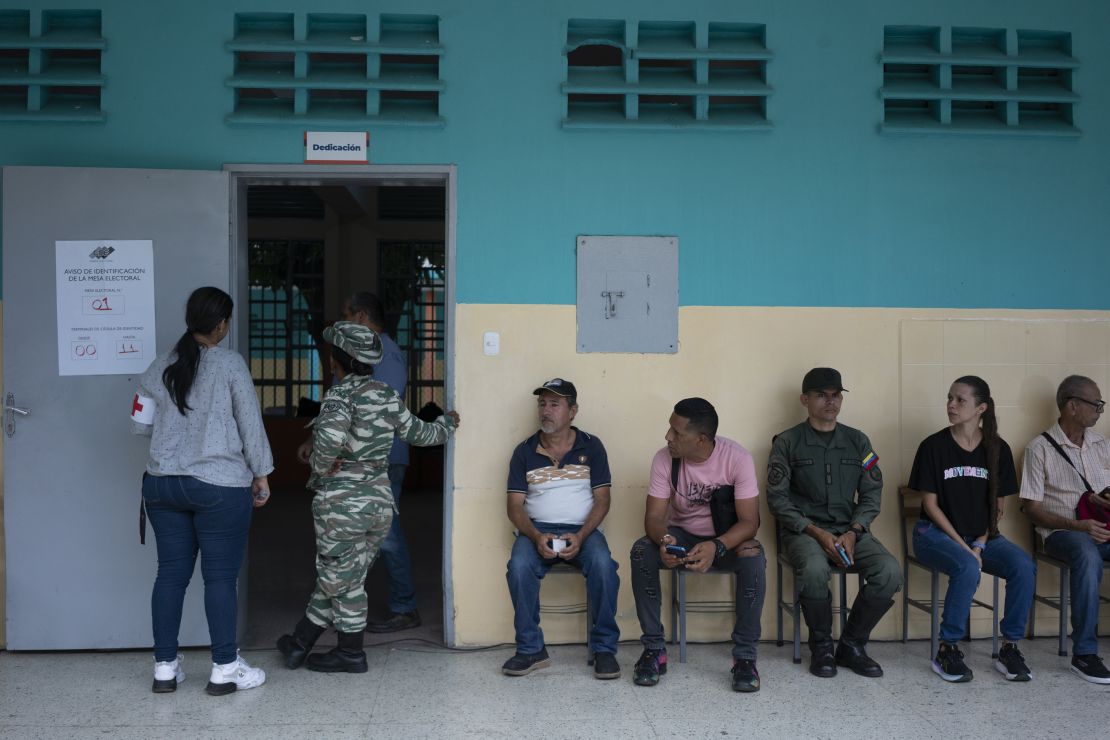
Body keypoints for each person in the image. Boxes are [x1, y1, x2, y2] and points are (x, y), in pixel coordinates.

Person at [277, 321, 459, 673]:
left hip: (344, 503)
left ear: (337, 360)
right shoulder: (386, 394)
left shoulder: (340, 396)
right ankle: (299, 642)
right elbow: (420, 434)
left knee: (342, 576)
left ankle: (350, 652)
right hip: (379, 500)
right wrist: (448, 424)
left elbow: (328, 442)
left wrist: (320, 468)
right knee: (345, 574)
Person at [131, 286, 273, 696]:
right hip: (218, 487)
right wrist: (261, 474)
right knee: (219, 579)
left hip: (162, 487)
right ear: (222, 323)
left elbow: (139, 424)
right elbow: (250, 422)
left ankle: (164, 668)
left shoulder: (157, 366)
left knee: (170, 576)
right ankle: (225, 668)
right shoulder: (230, 364)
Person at [766, 368, 902, 679]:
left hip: (850, 530)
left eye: (836, 395)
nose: (831, 402)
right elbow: (778, 500)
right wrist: (816, 532)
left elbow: (871, 493)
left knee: (889, 571)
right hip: (804, 532)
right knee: (815, 569)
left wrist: (854, 532)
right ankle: (822, 648)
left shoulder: (858, 441)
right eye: (821, 395)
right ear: (805, 399)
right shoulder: (787, 442)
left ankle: (851, 646)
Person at [298, 291, 421, 634]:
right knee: (353, 539)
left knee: (385, 536)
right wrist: (316, 440)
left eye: (346, 316)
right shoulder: (356, 353)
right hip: (349, 462)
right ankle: (341, 603)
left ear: (363, 317)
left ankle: (404, 605)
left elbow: (381, 414)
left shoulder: (388, 355)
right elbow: (340, 411)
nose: (342, 323)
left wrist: (330, 454)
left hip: (380, 461)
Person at [629, 398, 766, 692]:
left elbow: (750, 523)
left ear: (701, 439)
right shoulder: (664, 458)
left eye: (677, 433)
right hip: (682, 537)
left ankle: (744, 658)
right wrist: (664, 542)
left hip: (725, 539)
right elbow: (653, 517)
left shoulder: (737, 458)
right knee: (642, 551)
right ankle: (654, 649)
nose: (668, 437)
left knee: (753, 554)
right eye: (670, 429)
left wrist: (716, 546)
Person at [908, 376, 1035, 682]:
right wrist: (966, 548)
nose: (951, 405)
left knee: (1023, 566)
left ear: (981, 408)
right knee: (967, 567)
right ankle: (947, 649)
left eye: (960, 400)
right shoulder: (933, 446)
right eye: (949, 398)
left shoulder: (997, 449)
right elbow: (930, 506)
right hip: (933, 535)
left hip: (984, 537)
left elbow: (997, 507)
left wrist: (978, 544)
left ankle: (1009, 647)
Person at [503, 378, 621, 679]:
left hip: (583, 529)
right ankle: (530, 649)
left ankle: (604, 649)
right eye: (542, 403)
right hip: (536, 530)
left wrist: (581, 536)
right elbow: (515, 507)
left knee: (604, 567)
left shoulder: (592, 447)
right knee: (518, 566)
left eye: (555, 404)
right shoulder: (524, 451)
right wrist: (536, 536)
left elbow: (603, 500)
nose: (546, 410)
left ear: (573, 411)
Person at [1020, 374, 1110, 684]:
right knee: (1087, 554)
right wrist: (1078, 525)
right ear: (1072, 406)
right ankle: (1084, 654)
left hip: (1104, 527)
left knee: (1092, 552)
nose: (1100, 410)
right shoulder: (1039, 448)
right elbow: (1031, 509)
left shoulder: (1102, 446)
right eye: (1096, 404)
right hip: (1062, 534)